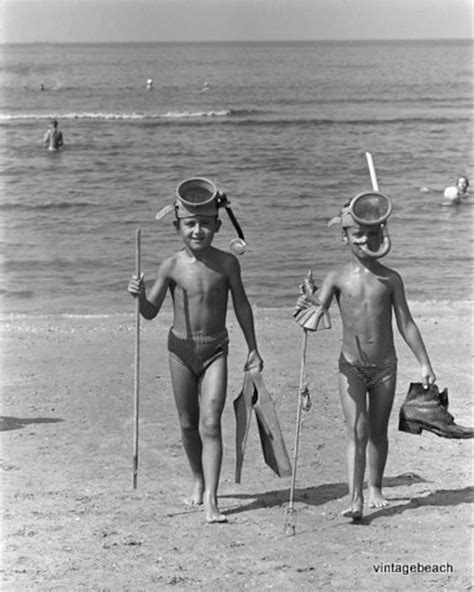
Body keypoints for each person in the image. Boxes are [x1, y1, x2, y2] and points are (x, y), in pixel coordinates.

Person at [294, 194, 436, 520]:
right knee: (355, 430)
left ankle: (375, 487)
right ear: (343, 237)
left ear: (382, 235)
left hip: (385, 366)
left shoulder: (390, 278)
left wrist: (425, 363)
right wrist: (309, 299)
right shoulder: (337, 277)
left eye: (371, 234)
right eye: (356, 234)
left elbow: (406, 323)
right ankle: (354, 497)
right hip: (351, 365)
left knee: (377, 431)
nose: (364, 240)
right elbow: (317, 316)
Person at [127, 182, 263, 523]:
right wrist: (139, 295)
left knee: (211, 422)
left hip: (216, 349)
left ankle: (212, 501)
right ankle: (198, 479)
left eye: (205, 223)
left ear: (218, 225)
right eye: (190, 224)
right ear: (178, 227)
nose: (198, 230)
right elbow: (150, 312)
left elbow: (242, 306)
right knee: (188, 424)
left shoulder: (228, 263)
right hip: (180, 351)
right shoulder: (171, 266)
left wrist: (253, 347)